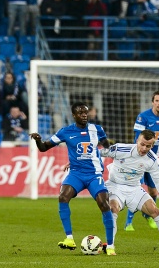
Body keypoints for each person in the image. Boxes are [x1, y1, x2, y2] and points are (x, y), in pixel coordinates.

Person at [30, 102, 115, 254]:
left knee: (104, 203)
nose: (84, 115)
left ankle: (110, 246)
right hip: (76, 173)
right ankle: (69, 238)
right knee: (63, 197)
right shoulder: (65, 132)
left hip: (94, 174)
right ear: (74, 115)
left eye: (86, 112)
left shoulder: (97, 129)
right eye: (80, 113)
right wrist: (38, 140)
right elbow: (44, 147)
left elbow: (106, 147)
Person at [100, 130, 159, 255]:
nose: (144, 148)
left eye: (148, 146)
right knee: (113, 208)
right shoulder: (120, 149)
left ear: (152, 146)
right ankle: (110, 246)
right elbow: (97, 153)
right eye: (142, 144)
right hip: (115, 186)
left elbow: (158, 182)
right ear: (137, 141)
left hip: (135, 188)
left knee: (155, 211)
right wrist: (78, 162)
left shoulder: (153, 160)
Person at [125, 91, 159, 231]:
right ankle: (128, 222)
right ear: (152, 102)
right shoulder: (143, 117)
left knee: (153, 192)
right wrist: (137, 155)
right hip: (140, 159)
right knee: (136, 190)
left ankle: (148, 216)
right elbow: (137, 139)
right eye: (156, 100)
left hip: (153, 161)